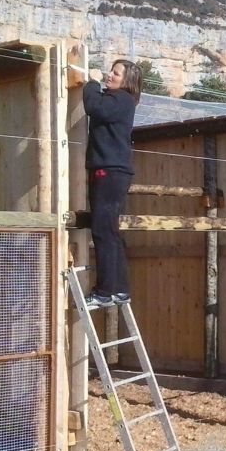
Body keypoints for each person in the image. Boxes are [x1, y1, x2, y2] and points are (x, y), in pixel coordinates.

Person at [82, 59, 142, 308]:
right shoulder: (118, 100)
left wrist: (89, 85)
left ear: (126, 81)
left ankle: (105, 291)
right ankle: (120, 289)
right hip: (114, 172)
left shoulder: (121, 99)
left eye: (115, 74)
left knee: (103, 231)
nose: (109, 75)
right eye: (111, 72)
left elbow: (95, 108)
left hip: (109, 171)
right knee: (111, 232)